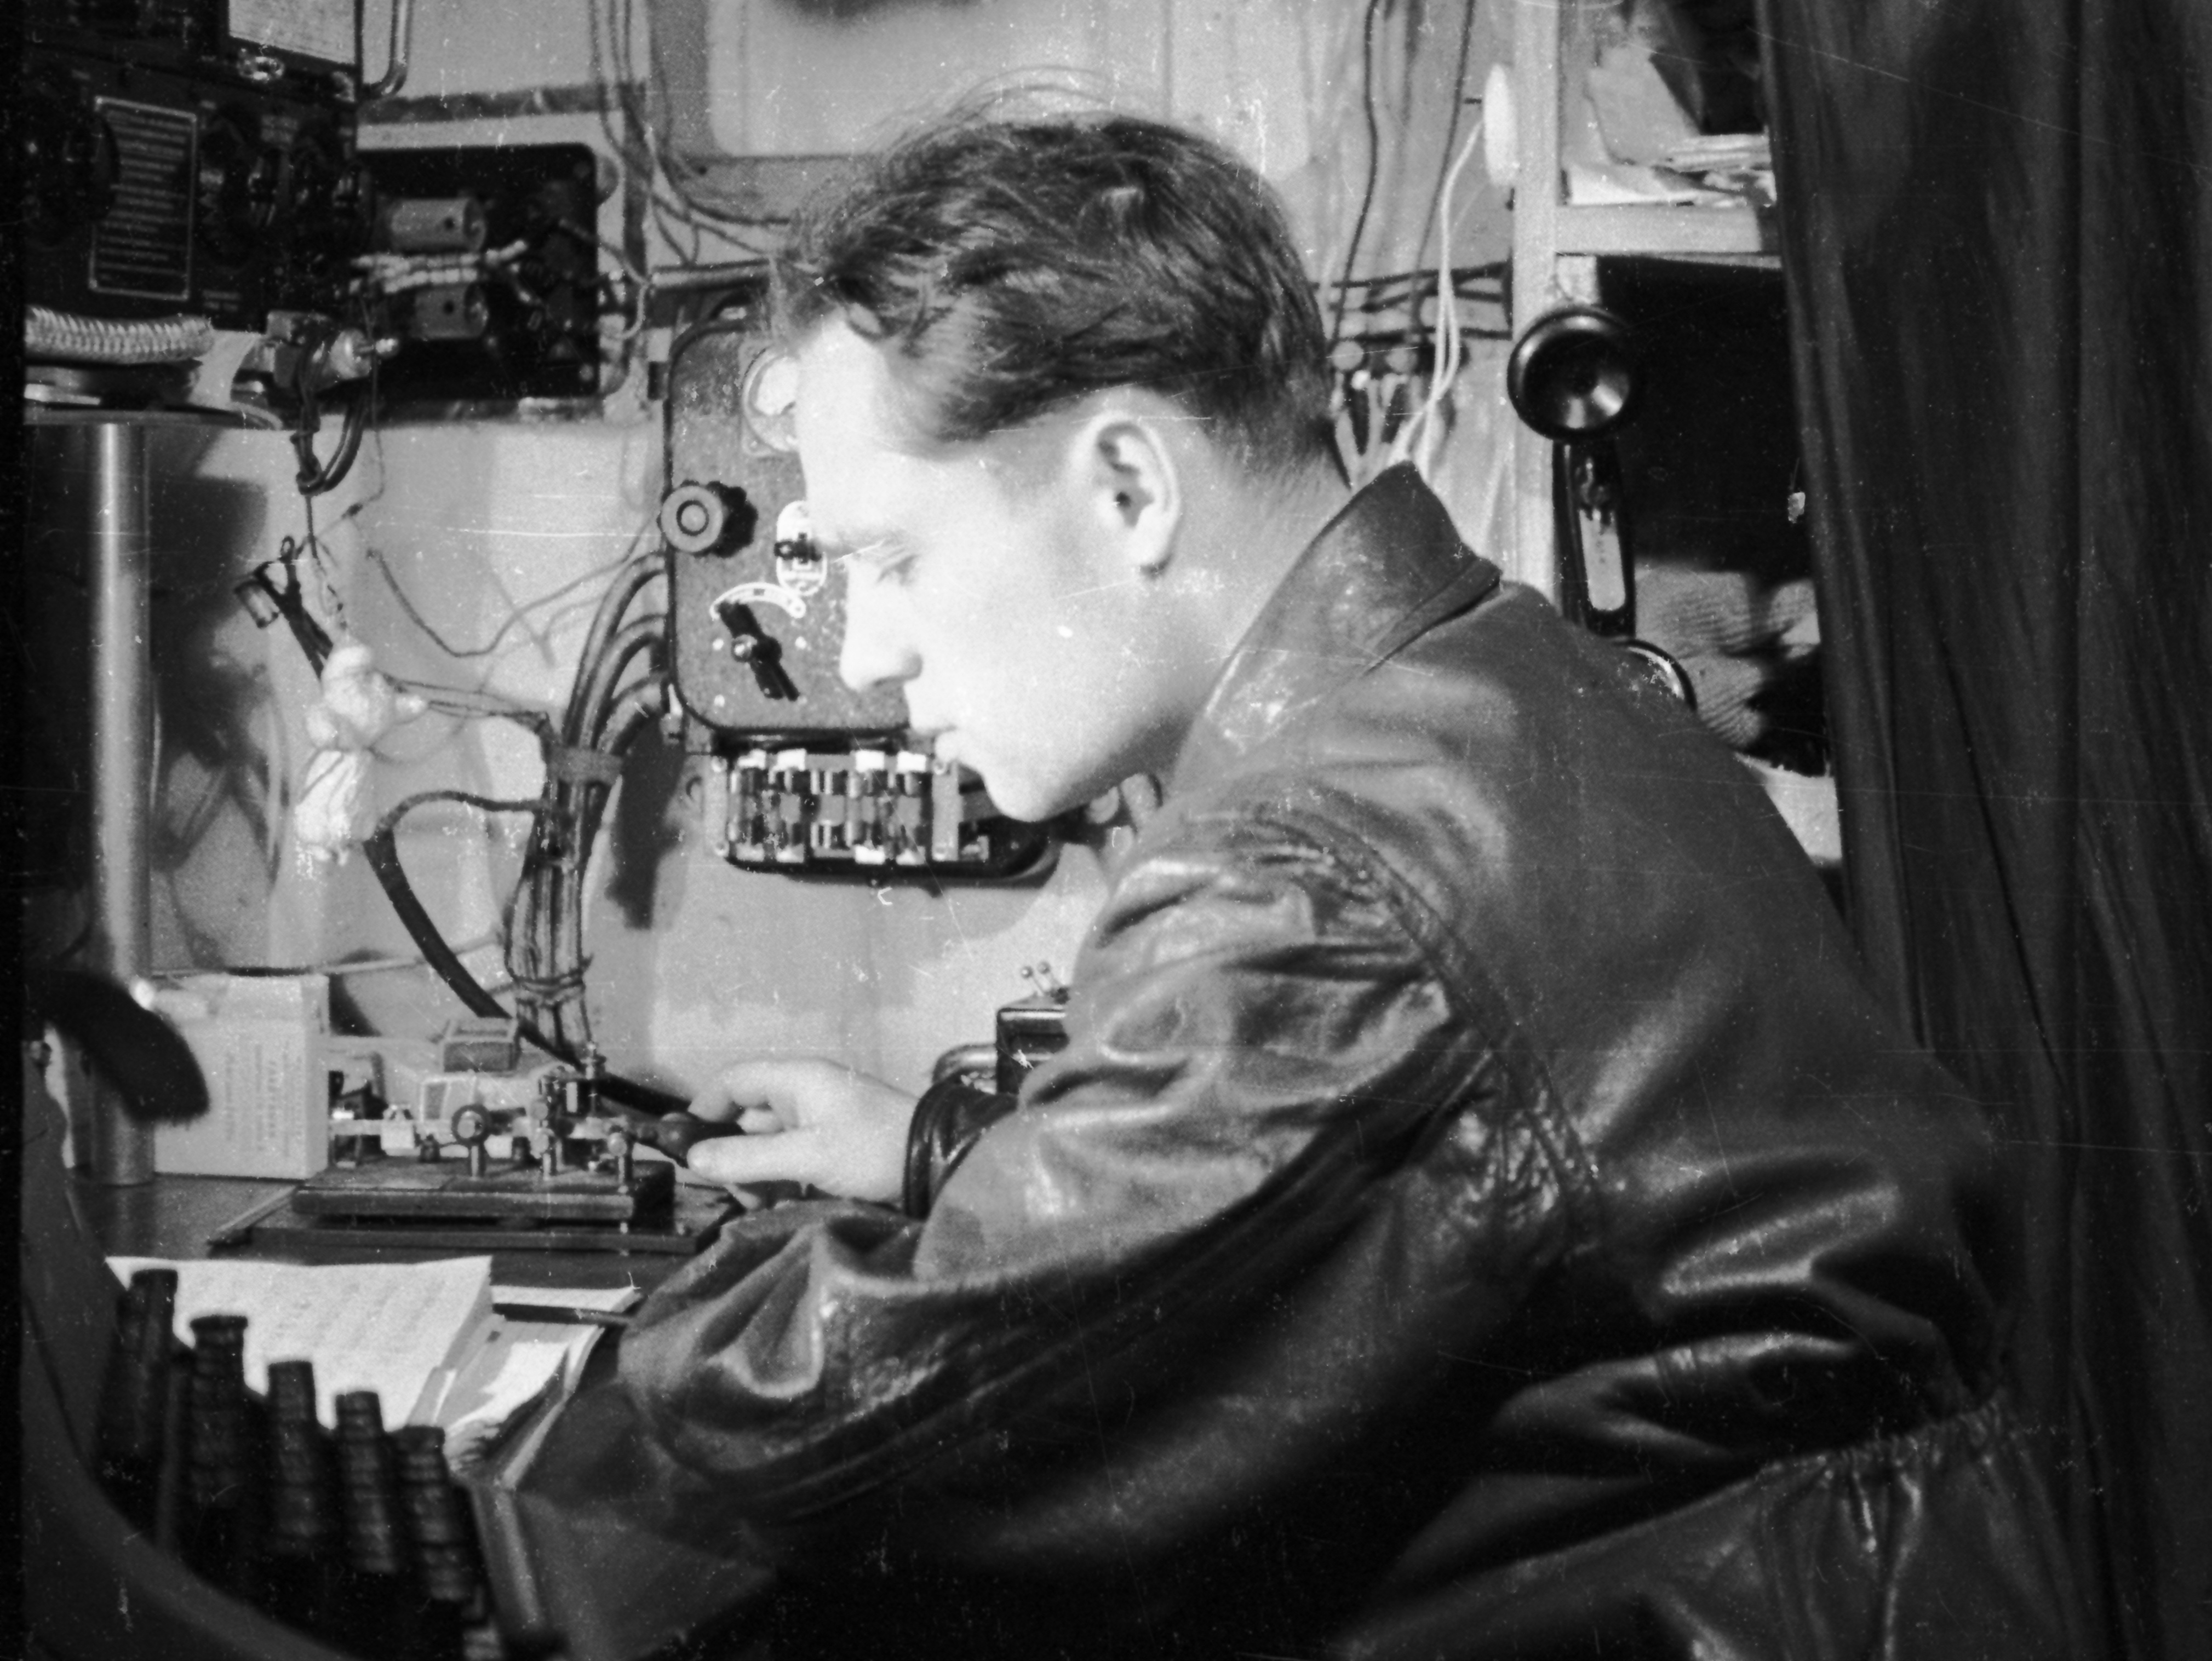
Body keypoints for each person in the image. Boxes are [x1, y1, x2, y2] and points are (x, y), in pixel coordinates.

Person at [574, 107, 2084, 1658]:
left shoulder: (1311, 866)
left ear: (1128, 488)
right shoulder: (1487, 674)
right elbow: (1417, 1182)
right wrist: (930, 1151)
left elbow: (852, 1418)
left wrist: (650, 1301)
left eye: (891, 562)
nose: (871, 651)